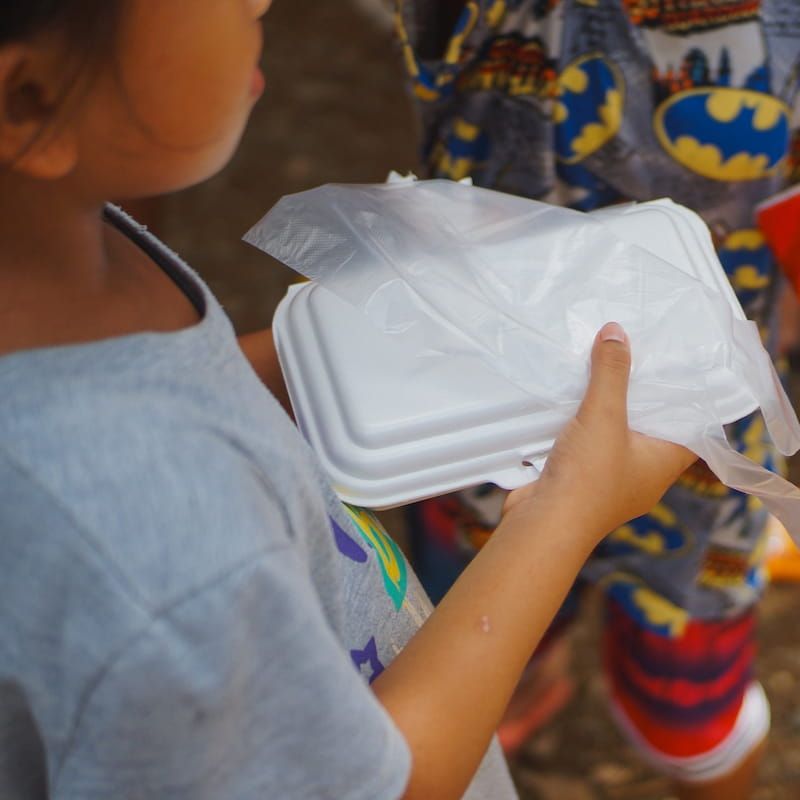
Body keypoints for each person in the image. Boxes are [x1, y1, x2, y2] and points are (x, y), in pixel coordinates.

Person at [0, 1, 694, 798]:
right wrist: (567, 510)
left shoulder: (53, 245)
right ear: (28, 99)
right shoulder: (165, 573)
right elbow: (392, 782)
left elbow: (157, 385)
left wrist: (337, 357)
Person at [396, 0, 800, 796]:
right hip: (487, 434)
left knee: (690, 715)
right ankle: (519, 690)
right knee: (485, 648)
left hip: (694, 454)